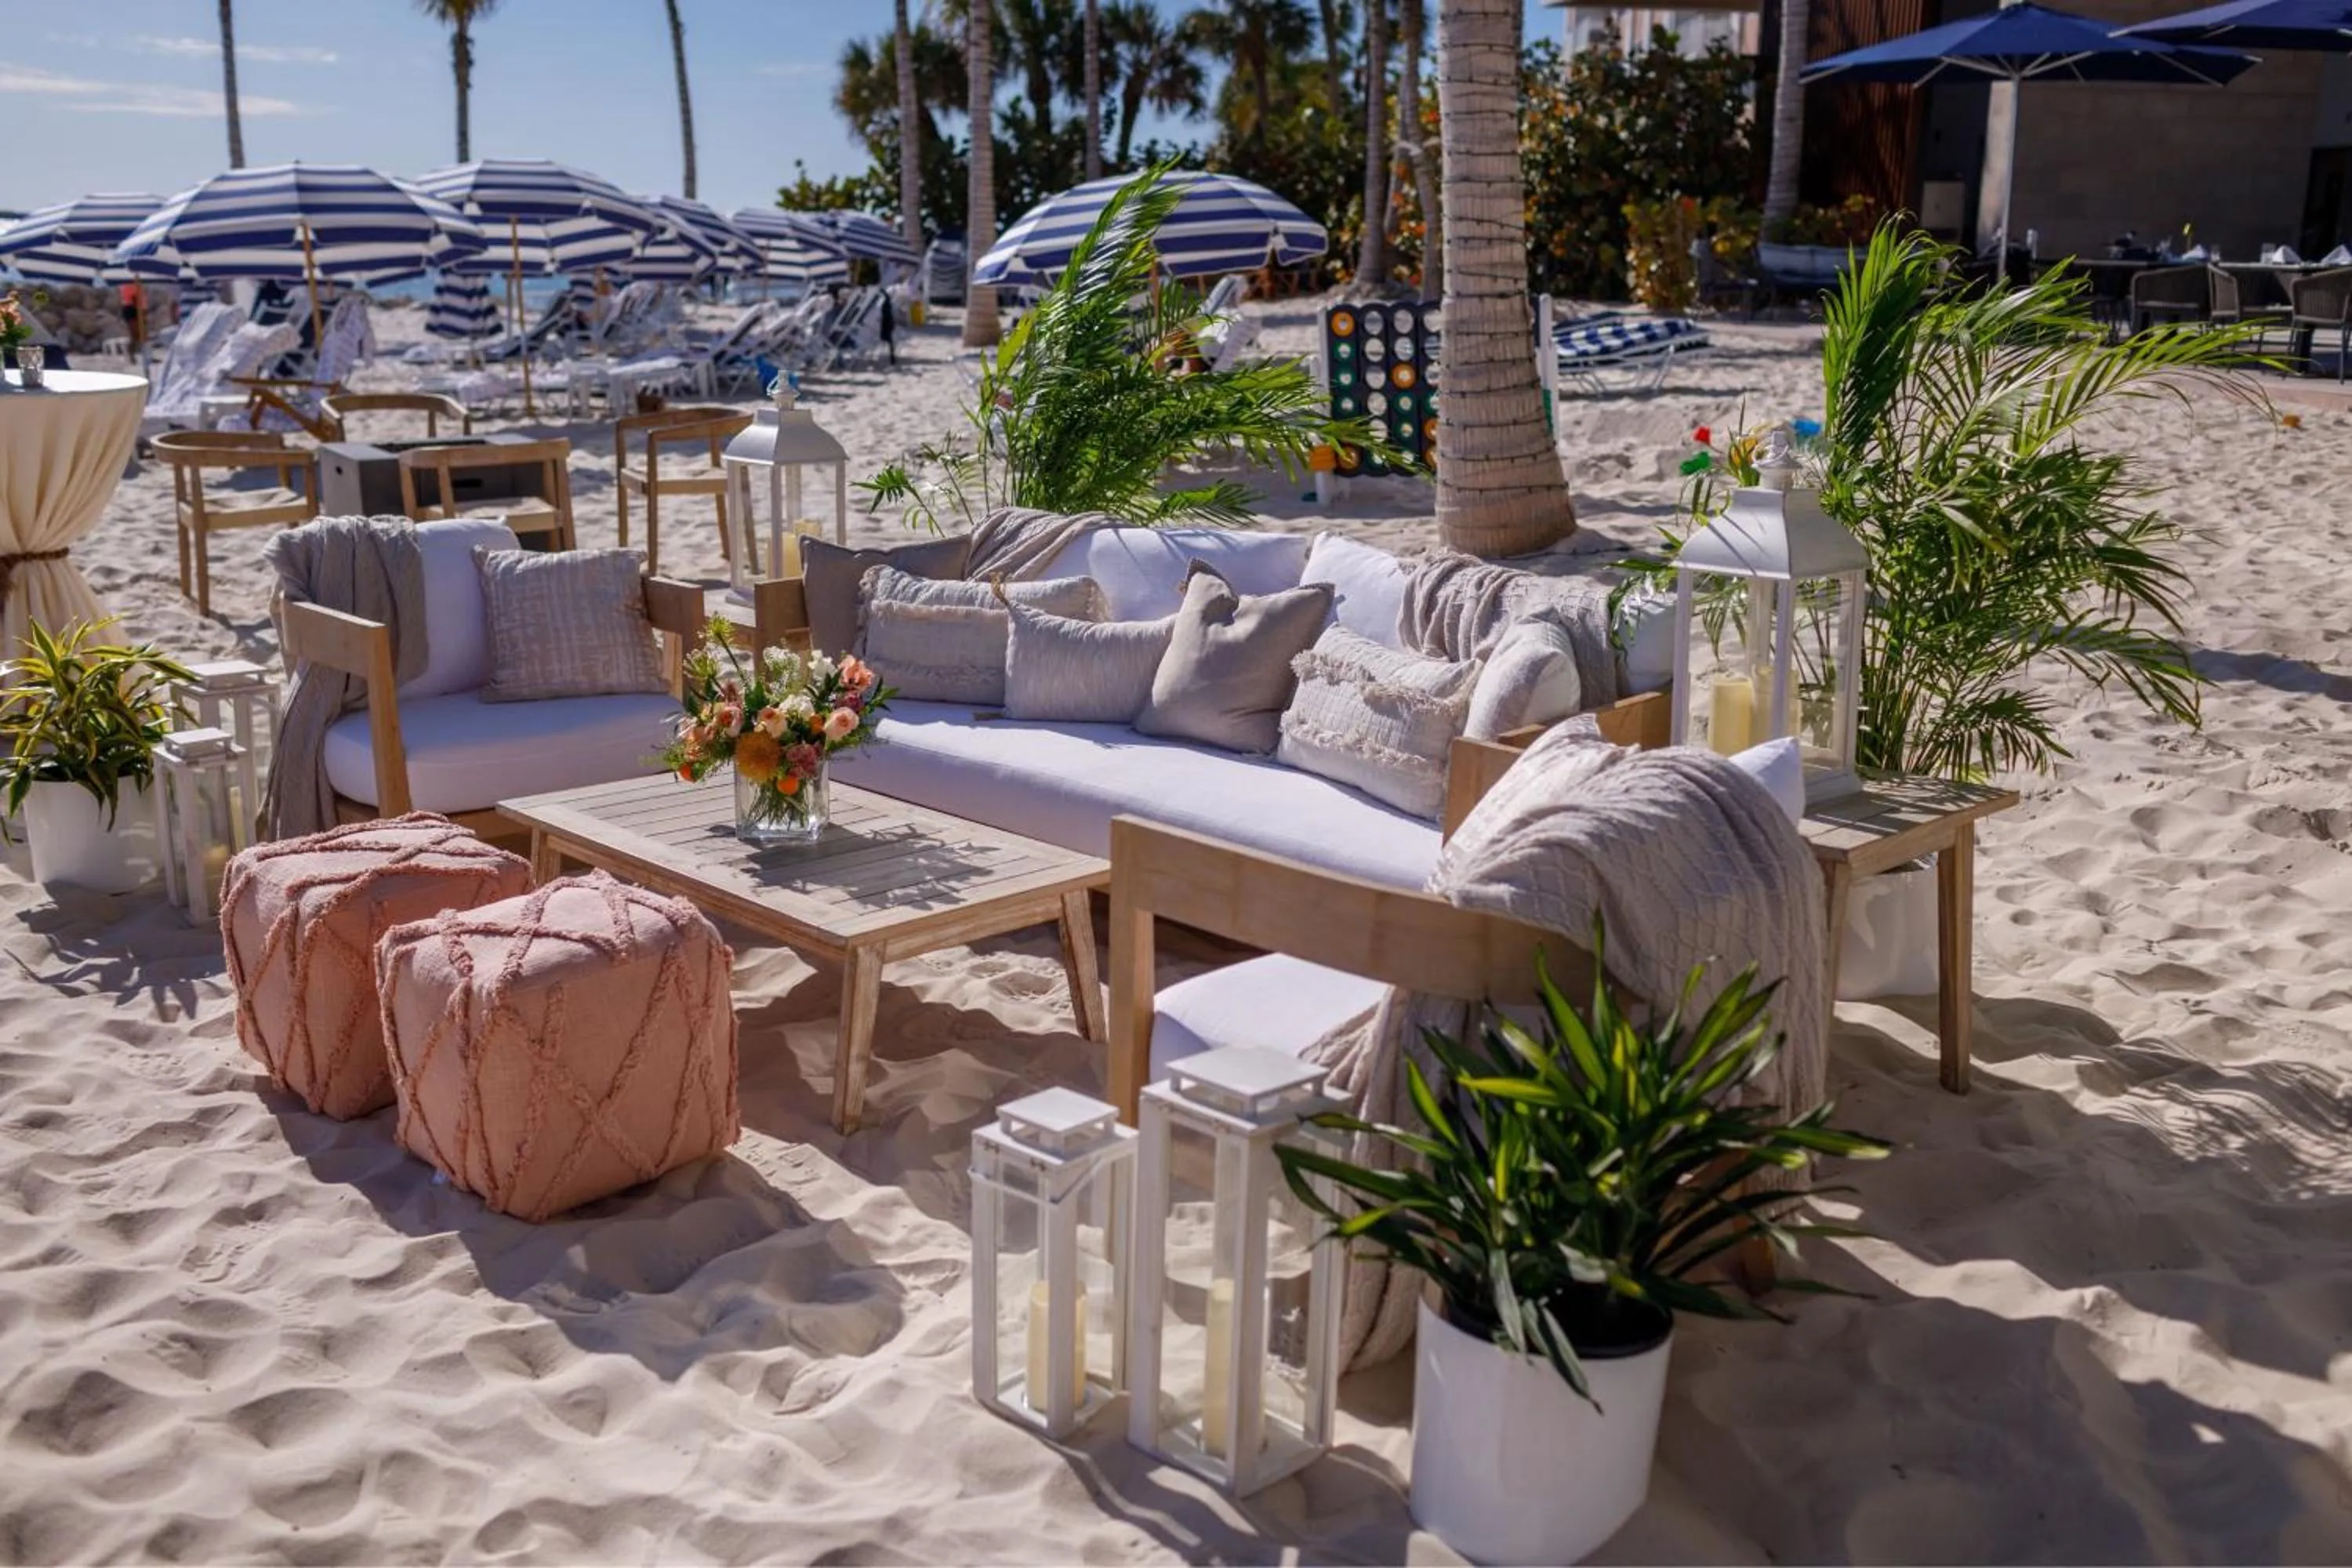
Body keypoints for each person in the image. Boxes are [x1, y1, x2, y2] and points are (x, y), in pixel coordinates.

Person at [879, 289, 897, 367]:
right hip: (888, 322)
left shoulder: (885, 303)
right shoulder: (888, 303)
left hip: (885, 323)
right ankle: (892, 357)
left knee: (888, 340)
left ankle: (892, 357)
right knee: (890, 341)